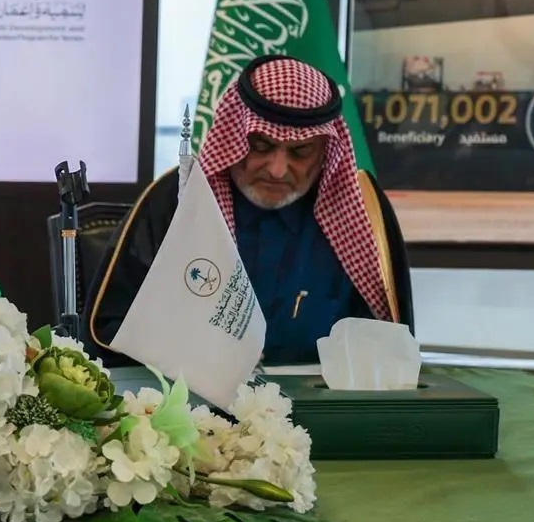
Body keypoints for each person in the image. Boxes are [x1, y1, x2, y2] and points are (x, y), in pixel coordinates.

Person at [87, 55, 413, 365]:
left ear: (325, 150)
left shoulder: (362, 214)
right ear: (233, 136)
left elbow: (386, 348)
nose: (277, 169)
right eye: (260, 145)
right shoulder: (178, 200)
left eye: (300, 151)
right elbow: (110, 332)